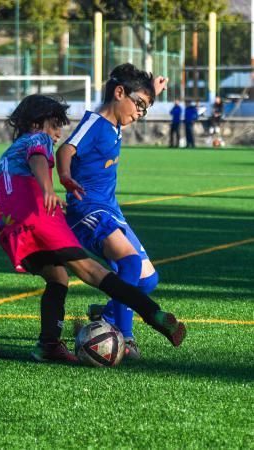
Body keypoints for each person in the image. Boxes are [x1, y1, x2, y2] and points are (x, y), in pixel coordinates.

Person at [0, 94, 186, 365]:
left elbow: (14, 186)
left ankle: (48, 345)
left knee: (58, 277)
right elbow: (39, 157)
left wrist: (44, 192)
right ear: (37, 123)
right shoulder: (38, 138)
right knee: (93, 271)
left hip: (7, 228)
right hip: (39, 218)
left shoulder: (8, 152)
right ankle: (153, 314)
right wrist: (48, 190)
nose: (58, 133)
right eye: (55, 125)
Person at [56, 63, 175, 360]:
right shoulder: (95, 123)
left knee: (148, 281)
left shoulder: (117, 123)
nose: (139, 113)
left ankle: (108, 313)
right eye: (138, 105)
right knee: (131, 264)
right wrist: (66, 177)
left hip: (111, 209)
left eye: (145, 109)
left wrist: (151, 92)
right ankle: (127, 336)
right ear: (119, 93)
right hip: (88, 210)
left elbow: (134, 101)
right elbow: (65, 149)